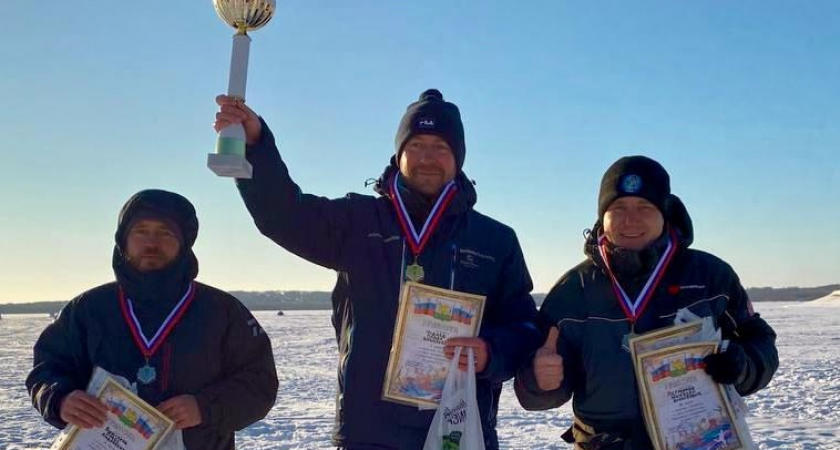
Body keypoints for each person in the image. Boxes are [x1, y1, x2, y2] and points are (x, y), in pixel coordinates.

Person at [213, 89, 542, 449]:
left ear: (458, 159)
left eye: (441, 148)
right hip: (369, 434)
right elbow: (284, 215)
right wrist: (258, 145)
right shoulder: (358, 222)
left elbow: (524, 327)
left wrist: (490, 351)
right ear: (398, 154)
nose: (428, 158)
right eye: (416, 146)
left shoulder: (494, 240)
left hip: (459, 433)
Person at [515, 156, 779, 449]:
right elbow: (536, 388)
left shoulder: (711, 277)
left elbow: (761, 343)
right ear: (602, 216)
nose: (631, 219)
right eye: (618, 208)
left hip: (699, 438)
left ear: (664, 213)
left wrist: (742, 365)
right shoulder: (572, 290)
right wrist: (540, 381)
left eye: (644, 207)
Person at [26, 189, 278, 449]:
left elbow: (260, 383)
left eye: (165, 233)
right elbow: (47, 369)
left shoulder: (223, 311)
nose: (151, 243)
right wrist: (60, 398)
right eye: (141, 231)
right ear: (123, 241)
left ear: (184, 243)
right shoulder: (89, 309)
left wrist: (204, 407)